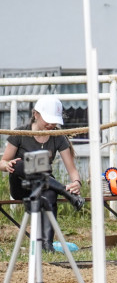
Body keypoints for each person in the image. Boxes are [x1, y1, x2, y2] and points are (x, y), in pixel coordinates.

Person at [1, 95, 83, 252]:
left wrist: (76, 183)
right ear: (35, 114)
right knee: (19, 163)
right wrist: (6, 165)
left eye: (54, 121)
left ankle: (47, 245)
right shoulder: (20, 133)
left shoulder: (57, 136)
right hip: (21, 186)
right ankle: (64, 191)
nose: (51, 124)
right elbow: (3, 162)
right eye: (48, 119)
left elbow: (72, 170)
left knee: (50, 194)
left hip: (44, 185)